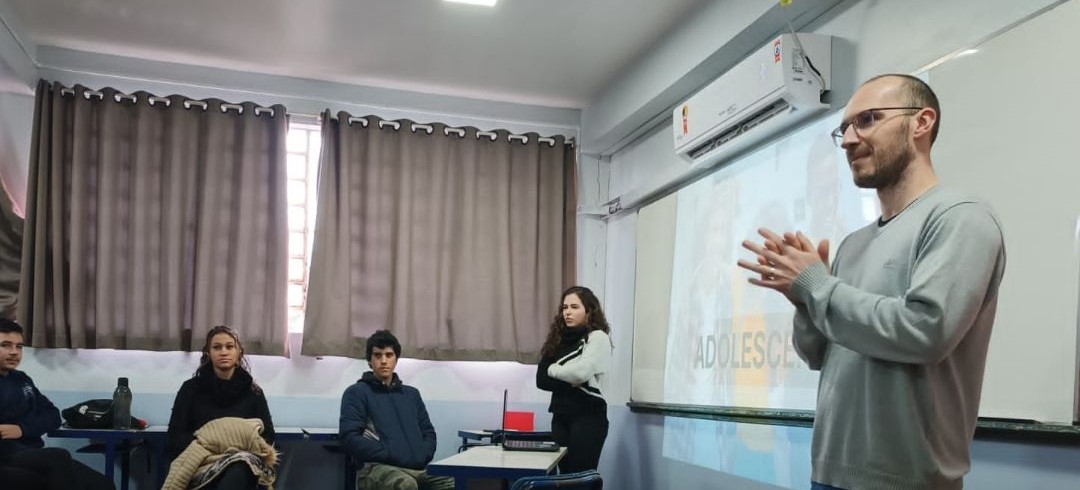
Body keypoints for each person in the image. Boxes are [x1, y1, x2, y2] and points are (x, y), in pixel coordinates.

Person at [737, 74, 1007, 490]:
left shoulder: (960, 217)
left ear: (921, 123)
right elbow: (817, 354)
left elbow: (926, 332)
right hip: (829, 472)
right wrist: (804, 301)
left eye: (867, 120)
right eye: (843, 128)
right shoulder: (853, 244)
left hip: (906, 481)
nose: (848, 140)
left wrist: (819, 286)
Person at [0, 318, 115, 490]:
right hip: (6, 455)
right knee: (57, 458)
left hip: (33, 452)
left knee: (102, 484)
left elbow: (52, 415)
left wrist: (22, 429)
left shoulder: (22, 379)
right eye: (5, 345)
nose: (14, 352)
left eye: (19, 346)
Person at [339, 329, 454, 490]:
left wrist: (421, 455)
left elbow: (428, 433)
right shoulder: (357, 393)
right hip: (376, 468)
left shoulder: (411, 394)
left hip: (416, 468)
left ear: (396, 359)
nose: (383, 361)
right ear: (370, 360)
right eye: (377, 355)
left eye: (389, 355)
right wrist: (388, 453)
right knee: (405, 485)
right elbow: (349, 438)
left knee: (453, 482)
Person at [166, 325, 276, 490]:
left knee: (241, 468)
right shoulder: (190, 390)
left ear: (239, 352)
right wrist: (212, 447)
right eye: (217, 347)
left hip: (242, 463)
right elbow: (175, 436)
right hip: (201, 464)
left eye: (229, 347)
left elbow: (267, 436)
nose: (223, 352)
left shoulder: (253, 392)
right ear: (208, 353)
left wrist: (233, 450)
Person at [536, 286, 613, 474]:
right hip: (560, 416)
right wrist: (570, 379)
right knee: (564, 478)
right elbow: (541, 380)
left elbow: (580, 373)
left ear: (589, 311)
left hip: (588, 416)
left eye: (574, 307)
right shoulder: (556, 340)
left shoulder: (598, 338)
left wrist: (554, 369)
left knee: (581, 477)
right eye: (565, 307)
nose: (567, 312)